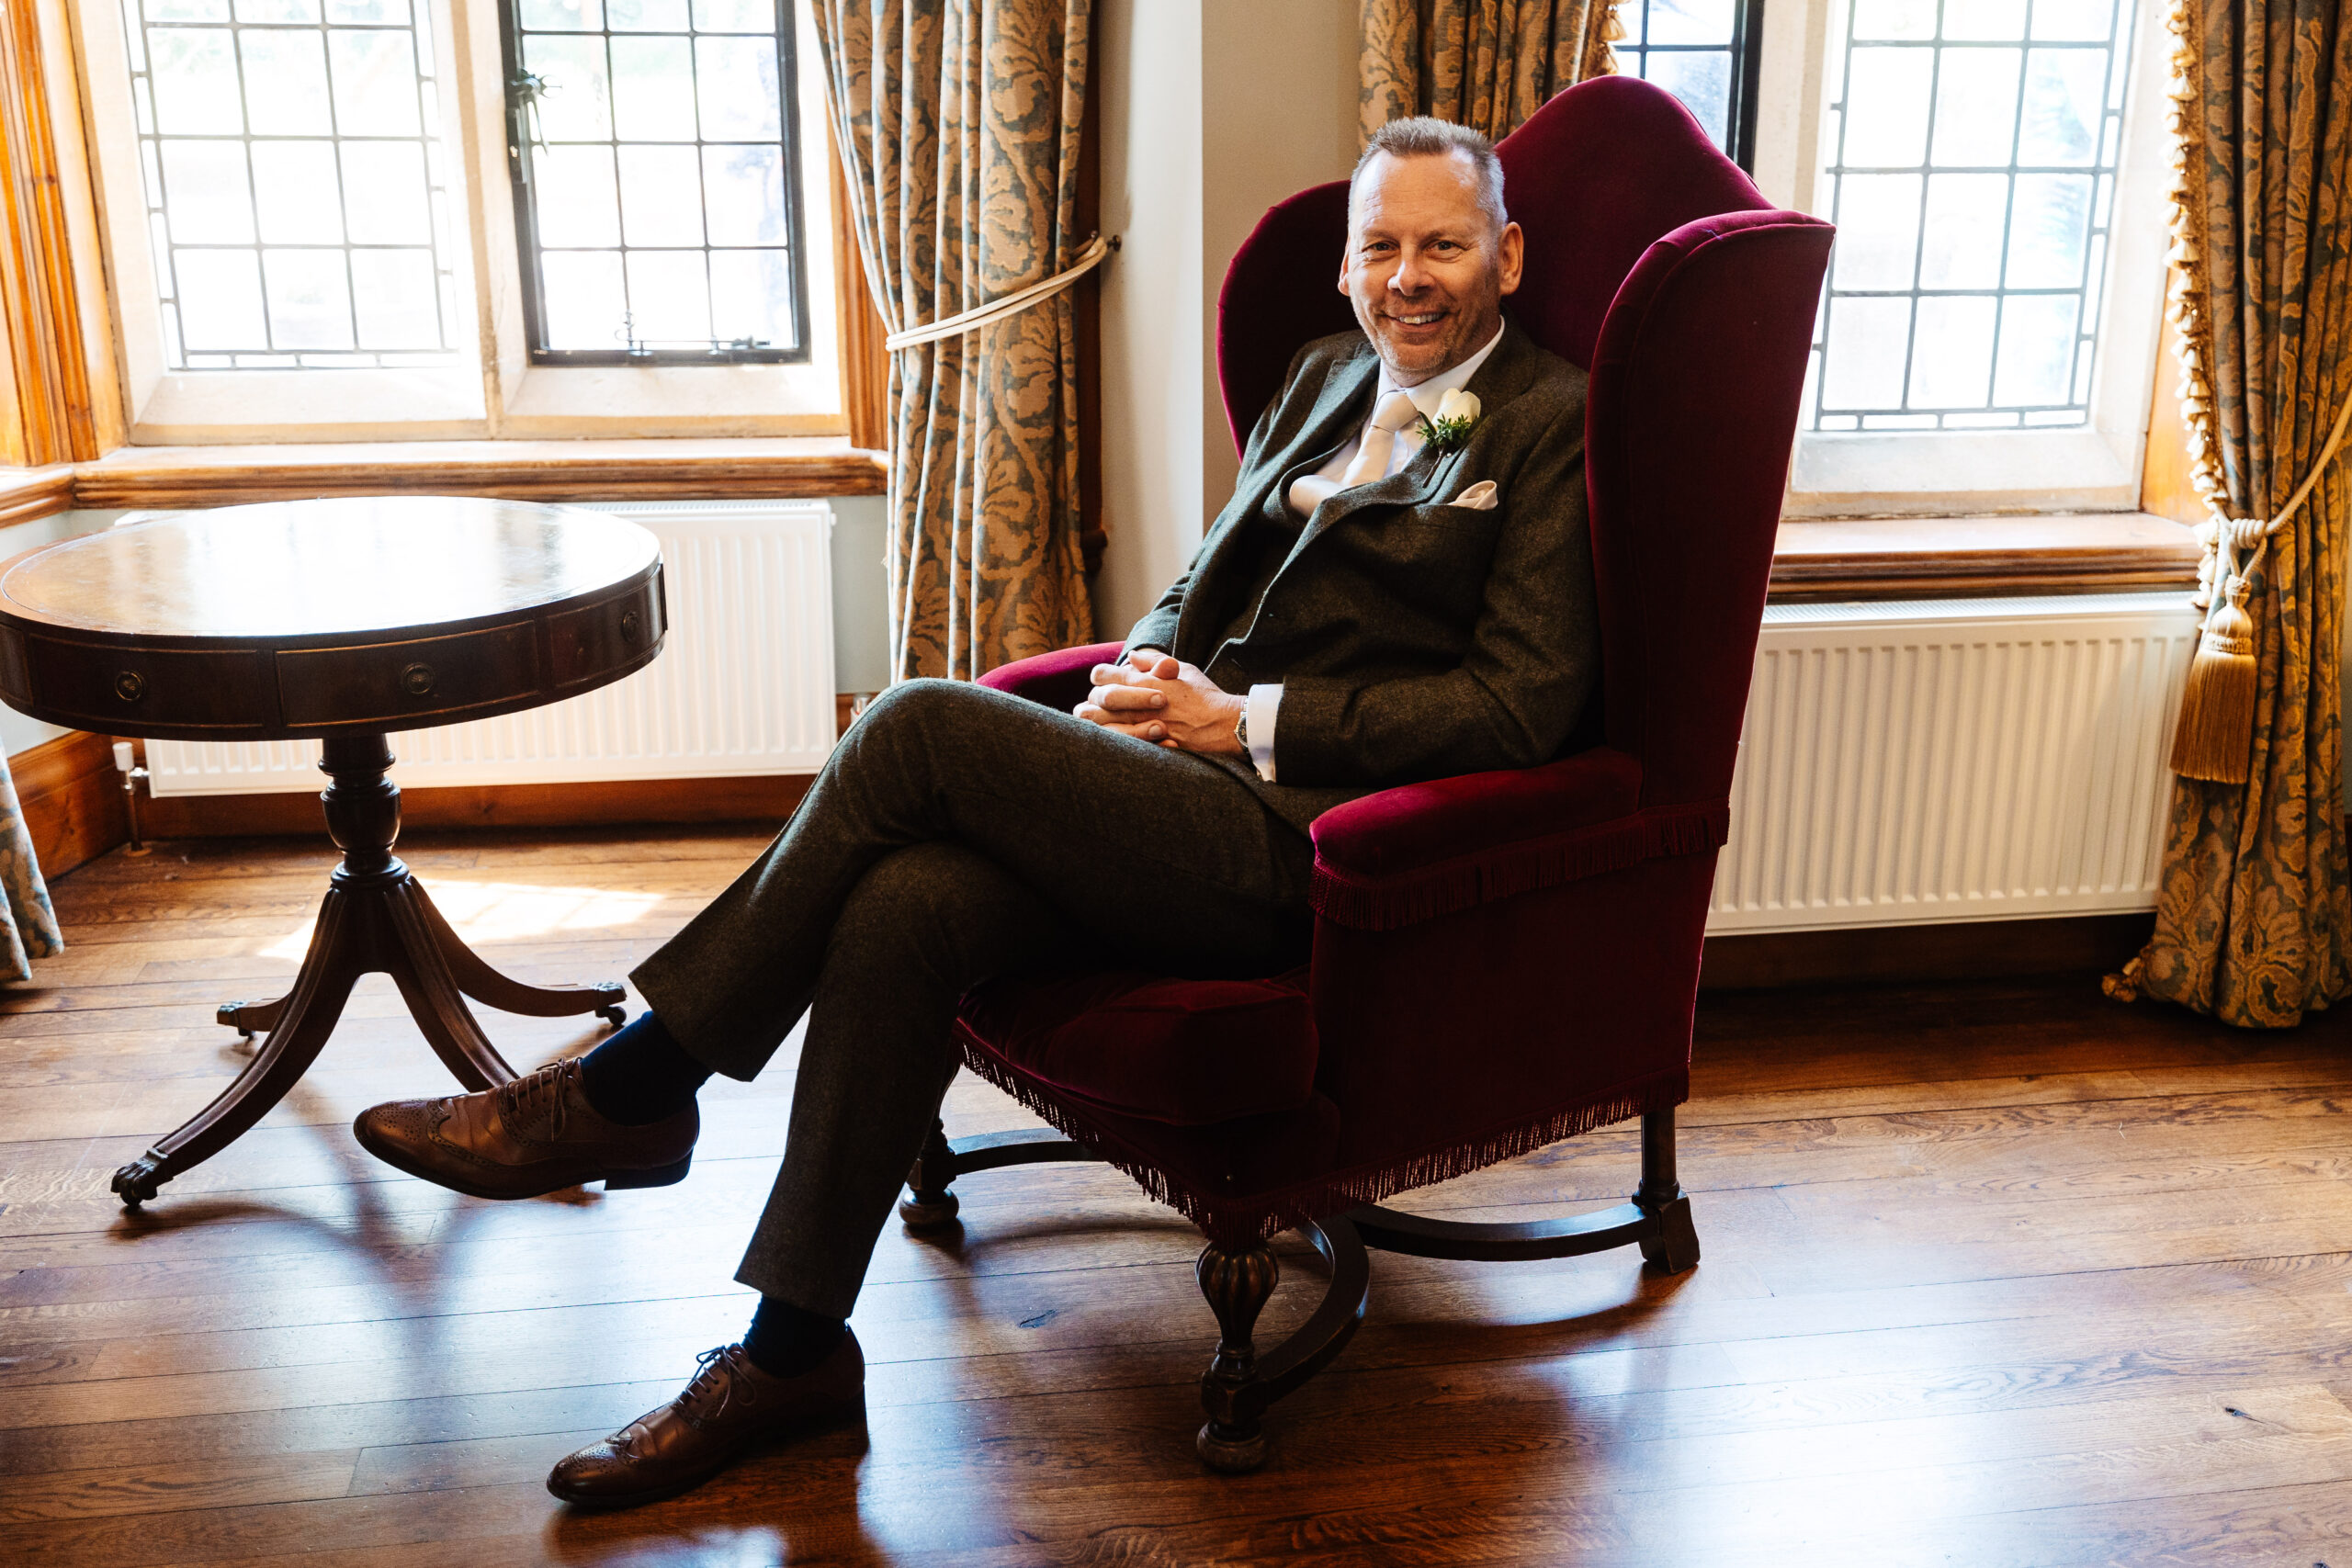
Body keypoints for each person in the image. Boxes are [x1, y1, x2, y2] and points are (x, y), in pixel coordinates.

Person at [352, 114, 1597, 1509]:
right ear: (1348, 262)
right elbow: (1201, 582)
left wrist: (1242, 721)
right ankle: (793, 1355)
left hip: (1302, 843)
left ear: (1508, 253)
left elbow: (1520, 705)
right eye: (1382, 245)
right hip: (1171, 779)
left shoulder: (1552, 421)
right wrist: (1139, 669)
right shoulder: (1323, 371)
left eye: (1442, 244)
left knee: (913, 724)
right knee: (905, 904)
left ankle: (637, 1088)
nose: (1408, 276)